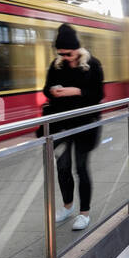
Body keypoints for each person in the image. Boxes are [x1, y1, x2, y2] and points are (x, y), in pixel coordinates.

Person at [44, 24, 105, 230]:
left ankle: (84, 213)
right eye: (60, 53)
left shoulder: (93, 64)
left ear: (77, 49)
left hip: (85, 125)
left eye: (68, 53)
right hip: (61, 124)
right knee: (62, 167)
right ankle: (67, 206)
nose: (65, 57)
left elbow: (98, 95)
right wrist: (53, 91)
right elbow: (45, 90)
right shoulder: (57, 65)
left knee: (80, 167)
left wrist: (76, 91)